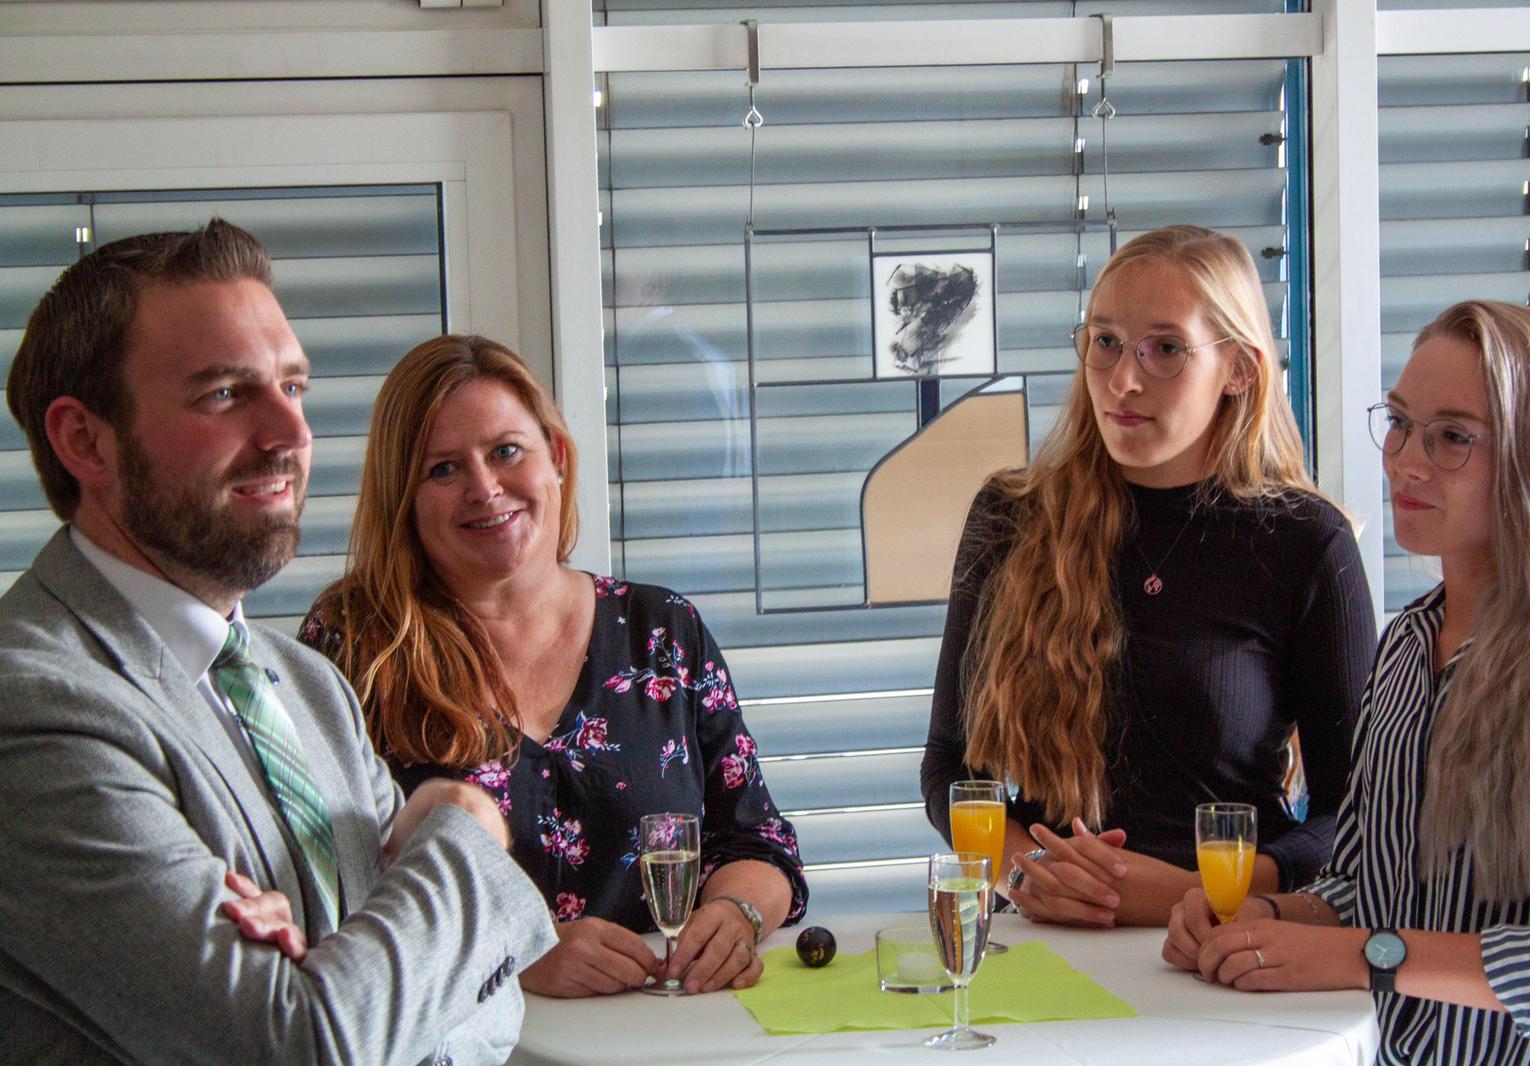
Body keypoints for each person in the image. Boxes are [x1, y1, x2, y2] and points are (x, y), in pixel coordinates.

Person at [0, 220, 555, 1066]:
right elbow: (298, 1046)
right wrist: (466, 828)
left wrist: (349, 983)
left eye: (292, 386)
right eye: (226, 393)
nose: (290, 434)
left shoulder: (308, 685)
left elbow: (492, 1004)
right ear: (85, 440)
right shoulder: (31, 708)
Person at [297, 334, 806, 999]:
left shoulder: (663, 633)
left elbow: (757, 843)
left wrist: (737, 915)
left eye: (506, 451)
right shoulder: (353, 644)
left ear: (557, 457)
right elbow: (323, 890)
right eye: (443, 469)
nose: (484, 488)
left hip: (661, 1029)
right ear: (405, 497)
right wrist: (516, 954)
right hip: (462, 1039)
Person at [1165, 300, 1530, 1063]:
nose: (1405, 460)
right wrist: (1261, 918)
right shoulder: (1404, 646)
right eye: (1399, 422)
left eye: (1453, 437)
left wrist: (1370, 956)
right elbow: (1360, 884)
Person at [921, 224, 1376, 927]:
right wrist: (1030, 872)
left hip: (1224, 943)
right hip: (1048, 938)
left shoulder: (1307, 542)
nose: (1123, 380)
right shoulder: (1012, 516)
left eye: (1166, 349)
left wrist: (1198, 892)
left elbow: (1354, 818)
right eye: (1105, 341)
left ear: (1239, 369)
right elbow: (950, 768)